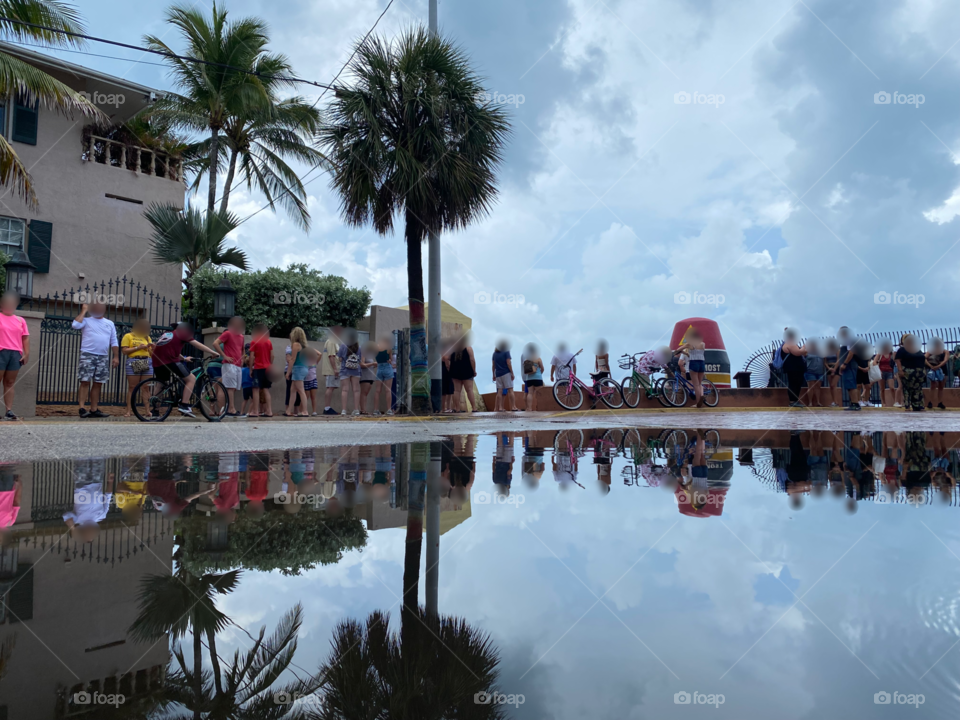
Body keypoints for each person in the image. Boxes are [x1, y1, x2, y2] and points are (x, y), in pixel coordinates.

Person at [150, 322, 221, 417]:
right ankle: (184, 405)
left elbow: (168, 349)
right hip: (170, 361)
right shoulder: (182, 333)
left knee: (160, 384)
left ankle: (155, 410)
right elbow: (197, 344)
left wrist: (184, 358)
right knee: (191, 379)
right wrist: (213, 352)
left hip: (157, 361)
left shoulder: (168, 335)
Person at [72, 302, 119, 418]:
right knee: (85, 381)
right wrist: (83, 311)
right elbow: (75, 325)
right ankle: (82, 408)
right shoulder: (86, 320)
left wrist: (116, 356)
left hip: (103, 356)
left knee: (98, 383)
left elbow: (114, 341)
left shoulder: (110, 323)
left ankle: (94, 409)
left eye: (101, 308)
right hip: (88, 354)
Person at [0, 291, 29, 420]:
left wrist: (26, 353)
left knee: (10, 382)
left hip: (15, 354)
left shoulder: (20, 320)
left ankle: (9, 411)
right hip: (1, 351)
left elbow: (25, 337)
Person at [120, 318, 154, 417]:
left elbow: (151, 353)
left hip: (146, 360)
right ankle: (128, 411)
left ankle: (147, 411)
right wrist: (138, 348)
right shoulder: (129, 336)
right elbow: (124, 351)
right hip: (134, 360)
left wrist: (152, 348)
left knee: (146, 387)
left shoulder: (147, 337)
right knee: (132, 387)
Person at [214, 316, 246, 417]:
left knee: (235, 387)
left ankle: (229, 408)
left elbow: (242, 349)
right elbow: (215, 343)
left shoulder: (241, 336)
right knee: (231, 387)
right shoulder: (227, 333)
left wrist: (242, 359)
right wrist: (224, 356)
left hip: (237, 365)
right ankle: (231, 409)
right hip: (229, 364)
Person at [284, 327, 313, 417]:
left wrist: (288, 372)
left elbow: (292, 359)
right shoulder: (303, 346)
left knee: (300, 390)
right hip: (303, 368)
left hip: (298, 369)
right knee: (293, 390)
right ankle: (288, 410)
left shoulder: (296, 344)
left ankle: (305, 411)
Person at [248, 324, 274, 417]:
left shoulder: (254, 341)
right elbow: (272, 356)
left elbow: (251, 356)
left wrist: (251, 368)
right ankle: (269, 411)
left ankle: (255, 411)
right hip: (267, 368)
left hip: (258, 368)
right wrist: (270, 364)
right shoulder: (268, 342)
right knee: (266, 389)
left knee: (256, 389)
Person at [678, 329, 709, 407]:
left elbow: (677, 351)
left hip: (694, 363)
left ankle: (698, 402)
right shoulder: (703, 344)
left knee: (696, 385)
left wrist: (684, 352)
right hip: (702, 363)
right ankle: (701, 394)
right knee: (700, 383)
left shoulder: (689, 344)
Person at [895, 333, 926, 412]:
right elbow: (898, 360)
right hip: (908, 372)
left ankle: (918, 405)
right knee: (907, 389)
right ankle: (907, 405)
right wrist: (900, 370)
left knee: (918, 389)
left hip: (919, 372)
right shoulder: (902, 349)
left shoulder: (917, 349)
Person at [449, 334, 477, 412]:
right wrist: (474, 370)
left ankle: (457, 408)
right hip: (467, 371)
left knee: (456, 391)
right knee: (469, 390)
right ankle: (474, 408)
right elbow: (472, 360)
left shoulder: (453, 350)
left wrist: (450, 367)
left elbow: (447, 358)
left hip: (455, 371)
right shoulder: (468, 348)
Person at [837, 327, 862, 411]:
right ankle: (853, 403)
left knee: (851, 384)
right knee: (849, 385)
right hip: (847, 366)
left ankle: (855, 403)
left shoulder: (849, 340)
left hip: (849, 365)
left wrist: (845, 363)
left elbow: (851, 352)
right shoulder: (845, 341)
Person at [338, 329, 362, 415]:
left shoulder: (343, 345)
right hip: (356, 370)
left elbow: (340, 359)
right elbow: (360, 360)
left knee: (345, 390)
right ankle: (356, 409)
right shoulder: (359, 347)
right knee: (356, 390)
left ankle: (344, 410)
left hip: (345, 370)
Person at [322, 326, 343, 415]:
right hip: (331, 369)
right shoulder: (331, 341)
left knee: (331, 387)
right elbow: (331, 356)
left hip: (333, 369)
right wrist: (335, 369)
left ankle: (328, 407)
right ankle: (327, 408)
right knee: (330, 387)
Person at [372, 336, 395, 416]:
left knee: (377, 390)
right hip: (387, 368)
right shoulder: (388, 348)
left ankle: (375, 410)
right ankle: (389, 409)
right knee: (388, 390)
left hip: (379, 368)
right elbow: (390, 359)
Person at [492, 339, 515, 412]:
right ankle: (513, 406)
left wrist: (493, 374)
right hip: (506, 372)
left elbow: (493, 365)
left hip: (498, 374)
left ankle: (500, 407)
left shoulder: (494, 354)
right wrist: (512, 373)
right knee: (510, 389)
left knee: (499, 391)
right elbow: (508, 363)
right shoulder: (506, 352)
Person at [521, 342, 544, 411]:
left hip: (529, 378)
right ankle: (540, 408)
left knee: (530, 393)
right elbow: (542, 368)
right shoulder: (538, 358)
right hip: (538, 377)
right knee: (539, 393)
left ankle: (529, 408)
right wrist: (540, 373)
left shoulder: (526, 360)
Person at [801, 338, 824, 407]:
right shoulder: (807, 352)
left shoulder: (820, 352)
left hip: (820, 371)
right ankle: (810, 402)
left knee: (818, 387)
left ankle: (818, 402)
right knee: (811, 387)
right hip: (810, 371)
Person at [875, 340, 899, 408]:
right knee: (882, 388)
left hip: (890, 372)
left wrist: (894, 373)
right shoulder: (880, 354)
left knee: (892, 387)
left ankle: (895, 402)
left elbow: (894, 364)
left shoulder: (891, 354)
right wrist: (879, 371)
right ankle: (883, 403)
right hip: (881, 372)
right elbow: (875, 362)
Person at [926, 337, 947, 410]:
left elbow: (945, 360)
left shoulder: (945, 351)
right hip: (934, 368)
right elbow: (924, 358)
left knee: (941, 386)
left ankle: (940, 402)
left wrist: (938, 366)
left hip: (942, 369)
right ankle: (930, 402)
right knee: (933, 385)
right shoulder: (931, 351)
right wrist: (931, 366)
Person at [359, 340, 379, 414]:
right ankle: (362, 409)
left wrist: (374, 365)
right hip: (365, 376)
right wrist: (372, 364)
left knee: (366, 393)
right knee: (363, 393)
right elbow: (362, 364)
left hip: (370, 376)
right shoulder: (363, 354)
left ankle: (364, 409)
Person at [823, 338, 841, 407]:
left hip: (836, 368)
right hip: (828, 368)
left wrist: (834, 369)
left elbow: (838, 360)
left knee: (834, 385)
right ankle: (833, 401)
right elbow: (825, 362)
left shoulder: (837, 350)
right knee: (831, 386)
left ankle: (836, 402)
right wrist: (829, 368)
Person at [441, 339, 455, 413]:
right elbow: (446, 359)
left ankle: (445, 408)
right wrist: (449, 369)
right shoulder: (446, 351)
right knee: (448, 390)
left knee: (446, 390)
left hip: (442, 370)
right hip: (446, 371)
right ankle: (447, 407)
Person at [240, 348, 255, 416]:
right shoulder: (253, 370)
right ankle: (248, 412)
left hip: (244, 386)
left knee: (245, 399)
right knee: (253, 400)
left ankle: (241, 412)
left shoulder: (242, 369)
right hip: (251, 386)